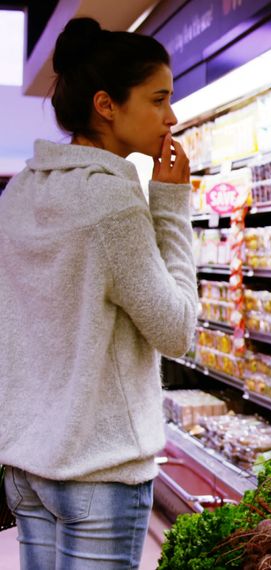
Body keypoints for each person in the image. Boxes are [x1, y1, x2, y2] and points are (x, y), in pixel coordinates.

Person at [0, 16, 197, 570]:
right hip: (99, 470)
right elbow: (177, 330)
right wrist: (171, 205)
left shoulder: (20, 192)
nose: (171, 116)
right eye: (158, 99)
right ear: (107, 104)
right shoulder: (110, 202)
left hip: (27, 465)